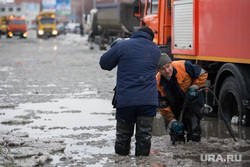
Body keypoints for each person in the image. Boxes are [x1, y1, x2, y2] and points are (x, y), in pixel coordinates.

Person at [99, 27, 161, 156]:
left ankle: (121, 162)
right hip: (148, 100)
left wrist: (114, 48)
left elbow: (104, 64)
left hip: (126, 100)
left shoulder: (122, 45)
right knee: (144, 136)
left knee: (123, 136)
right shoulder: (156, 49)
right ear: (150, 37)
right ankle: (142, 163)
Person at [156, 53, 208, 142]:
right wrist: (171, 121)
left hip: (193, 102)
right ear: (158, 71)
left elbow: (203, 74)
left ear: (171, 63)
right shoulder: (157, 83)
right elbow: (162, 106)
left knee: (193, 131)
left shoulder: (184, 66)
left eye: (168, 66)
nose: (167, 71)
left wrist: (195, 87)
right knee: (176, 136)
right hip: (175, 107)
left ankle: (194, 151)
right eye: (163, 69)